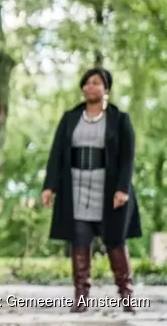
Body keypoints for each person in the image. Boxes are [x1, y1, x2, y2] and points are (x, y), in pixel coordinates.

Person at [41, 67, 141, 313]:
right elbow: (56, 154)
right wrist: (49, 187)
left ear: (106, 88)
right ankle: (81, 297)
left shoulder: (120, 119)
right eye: (86, 83)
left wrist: (122, 189)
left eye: (96, 83)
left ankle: (126, 295)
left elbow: (128, 158)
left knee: (115, 242)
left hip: (109, 190)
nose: (90, 87)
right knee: (80, 241)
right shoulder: (70, 117)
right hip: (76, 188)